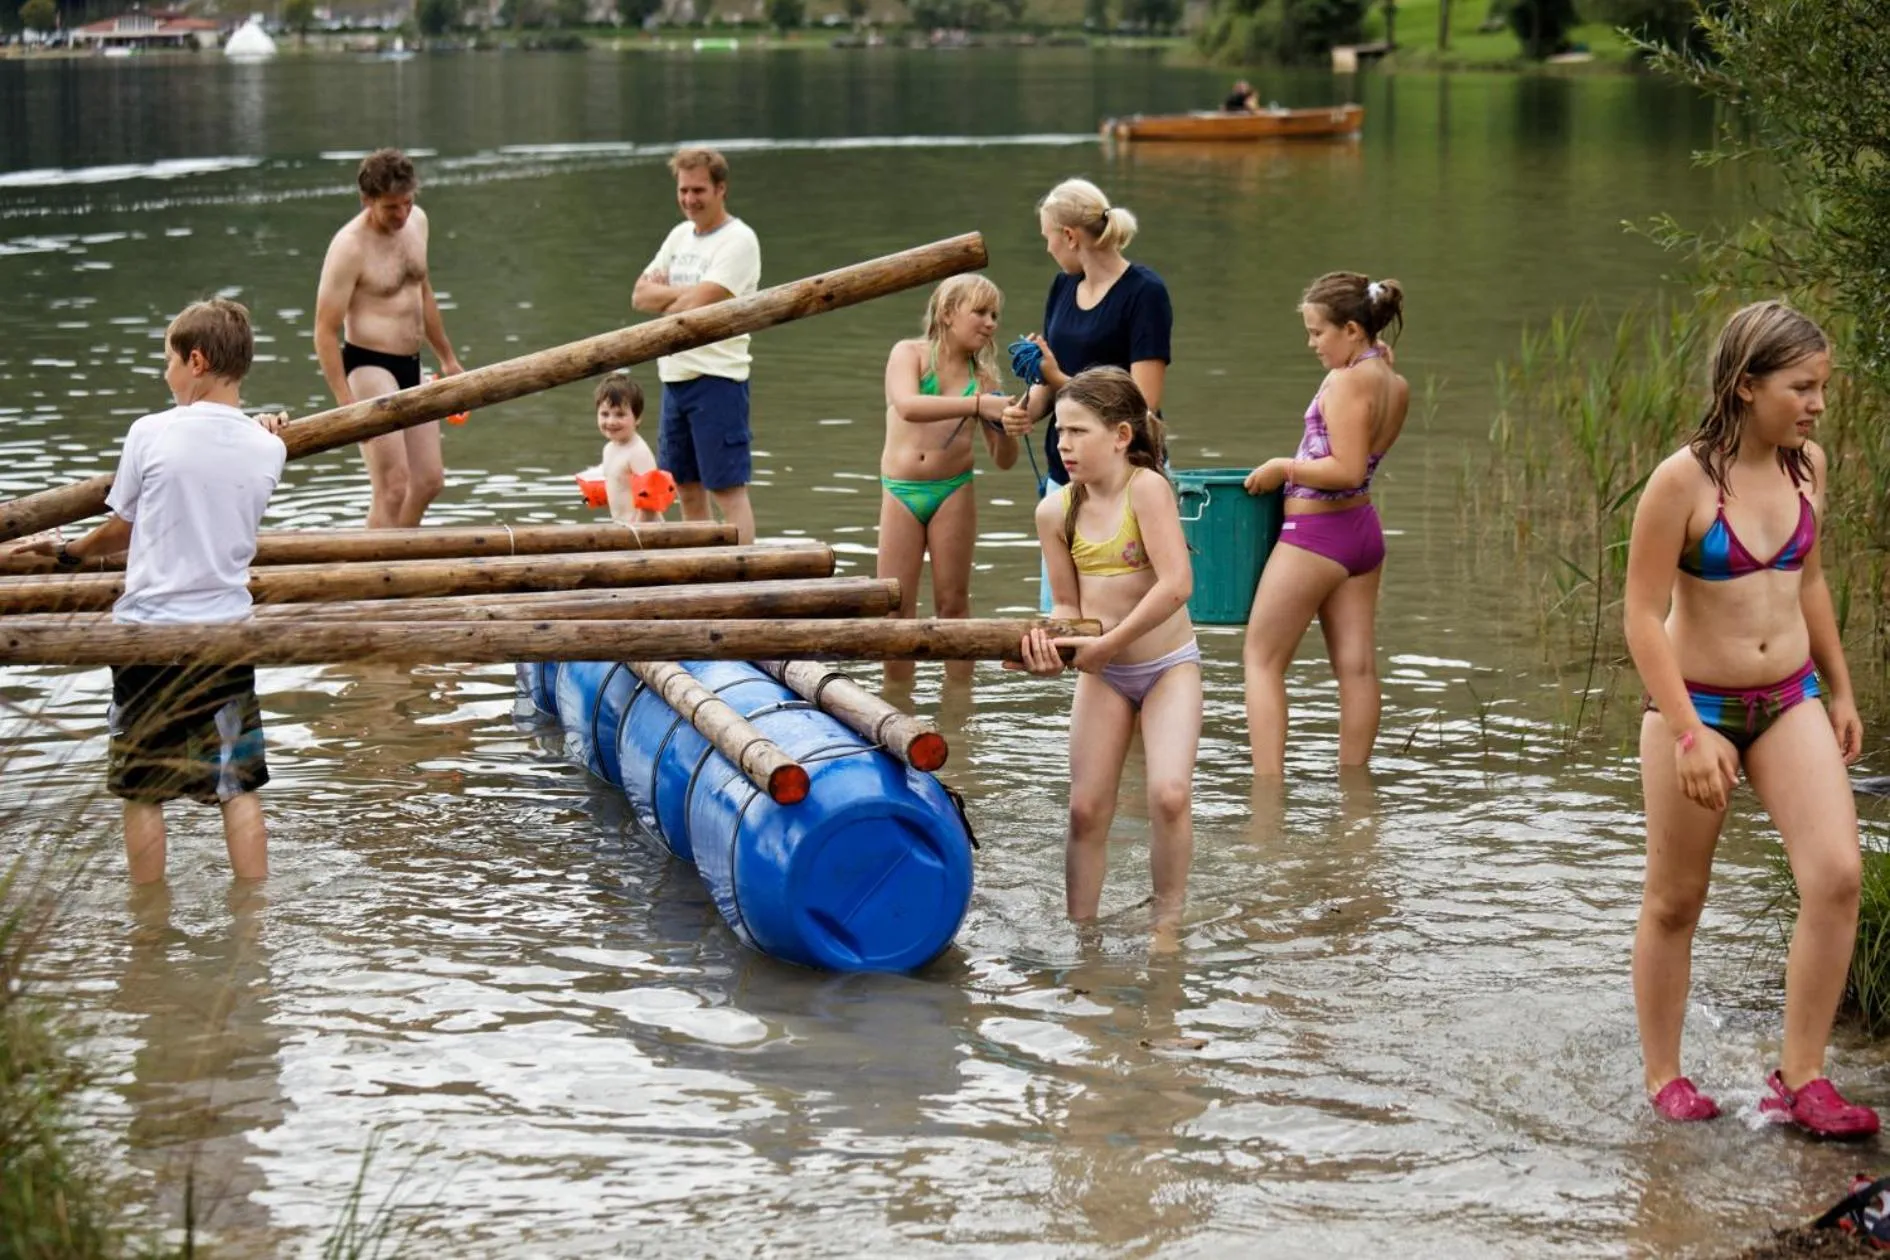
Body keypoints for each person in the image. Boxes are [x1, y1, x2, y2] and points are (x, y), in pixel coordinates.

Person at [1624, 300, 1876, 1138]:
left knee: (1838, 874)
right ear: (1744, 385)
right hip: (1694, 705)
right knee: (1675, 901)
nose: (1816, 404)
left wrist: (1839, 690)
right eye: (1801, 387)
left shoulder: (1809, 465)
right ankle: (1665, 1077)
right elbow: (1640, 615)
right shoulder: (1680, 483)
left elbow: (1807, 581)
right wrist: (1688, 731)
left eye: (1822, 388)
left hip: (1788, 696)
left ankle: (1799, 1078)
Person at [12, 300, 287, 884]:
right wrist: (260, 422)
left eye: (168, 361)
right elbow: (226, 460)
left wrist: (69, 553)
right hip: (227, 633)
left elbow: (124, 528)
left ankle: (149, 927)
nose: (165, 374)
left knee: (143, 790)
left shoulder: (149, 433)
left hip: (148, 632)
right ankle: (253, 920)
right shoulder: (270, 446)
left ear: (196, 360)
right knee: (236, 783)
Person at [1016, 368, 1199, 927]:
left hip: (1168, 667)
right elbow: (1067, 605)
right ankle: (1082, 936)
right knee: (1085, 809)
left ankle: (1166, 928)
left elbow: (1177, 585)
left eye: (1078, 431)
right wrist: (1055, 649)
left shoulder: (1146, 487)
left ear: (1121, 435)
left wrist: (1108, 644)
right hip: (1105, 676)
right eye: (1060, 432)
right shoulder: (1054, 511)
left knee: (1169, 795)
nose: (1064, 444)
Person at [1241, 273, 1409, 777]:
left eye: (1319, 332)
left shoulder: (1345, 380)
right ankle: (1355, 793)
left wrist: (1281, 468)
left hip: (1316, 538)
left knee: (1262, 660)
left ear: (1353, 330)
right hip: (1362, 534)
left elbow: (1347, 468)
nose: (1312, 343)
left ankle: (1266, 797)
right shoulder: (1393, 382)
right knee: (1356, 669)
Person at [878, 275, 1019, 683]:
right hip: (901, 490)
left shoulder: (986, 379)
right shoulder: (909, 354)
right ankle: (897, 700)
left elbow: (1004, 460)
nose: (990, 322)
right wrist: (977, 405)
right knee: (896, 606)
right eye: (979, 312)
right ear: (946, 313)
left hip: (953, 489)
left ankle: (959, 707)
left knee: (953, 603)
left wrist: (1009, 423)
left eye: (994, 315)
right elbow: (907, 405)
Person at [314, 148, 464, 530]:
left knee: (429, 481)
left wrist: (447, 358)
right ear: (368, 200)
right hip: (369, 366)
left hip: (411, 362)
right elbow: (325, 330)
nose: (401, 215)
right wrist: (344, 405)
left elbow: (423, 293)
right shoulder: (349, 247)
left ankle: (398, 557)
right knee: (393, 487)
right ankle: (376, 576)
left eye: (407, 204)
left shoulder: (419, 223)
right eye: (391, 207)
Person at [1000, 179, 1173, 492]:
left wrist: (1056, 377)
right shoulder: (1061, 287)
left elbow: (1144, 402)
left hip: (1127, 472)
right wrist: (1025, 411)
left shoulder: (1145, 292)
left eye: (1047, 237)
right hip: (1064, 471)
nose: (1047, 248)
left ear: (1069, 236)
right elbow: (1049, 384)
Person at [632, 147, 763, 544]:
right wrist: (682, 296)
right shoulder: (679, 236)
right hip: (675, 376)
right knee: (685, 486)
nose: (690, 199)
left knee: (726, 488)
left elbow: (697, 306)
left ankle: (746, 574)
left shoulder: (739, 240)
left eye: (699, 190)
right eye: (683, 190)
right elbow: (639, 295)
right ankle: (705, 570)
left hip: (718, 377)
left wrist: (671, 295)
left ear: (721, 189)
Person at [593, 371, 669, 526]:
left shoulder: (638, 452)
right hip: (624, 529)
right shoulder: (608, 449)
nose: (611, 421)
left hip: (645, 532)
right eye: (605, 414)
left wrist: (638, 533)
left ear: (638, 418)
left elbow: (649, 501)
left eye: (620, 415)